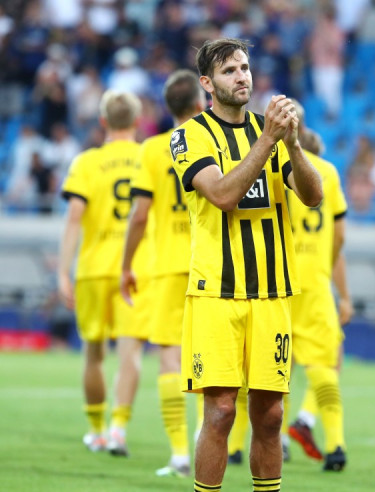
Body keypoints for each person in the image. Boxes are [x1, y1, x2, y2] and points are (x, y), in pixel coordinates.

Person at [169, 38, 322, 492]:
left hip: (272, 293)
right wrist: (269, 141)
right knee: (220, 411)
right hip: (217, 292)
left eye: (245, 68)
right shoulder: (190, 136)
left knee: (271, 415)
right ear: (207, 83)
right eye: (229, 70)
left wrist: (293, 146)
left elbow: (313, 196)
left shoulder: (270, 130)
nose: (242, 77)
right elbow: (222, 195)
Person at [225, 114, 353, 471]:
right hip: (314, 282)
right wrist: (331, 276)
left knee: (262, 368)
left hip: (273, 279)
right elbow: (340, 235)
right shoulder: (326, 171)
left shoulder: (259, 166)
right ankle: (336, 445)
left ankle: (236, 446)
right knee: (324, 364)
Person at [120, 69, 206, 477]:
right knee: (210, 358)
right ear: (199, 104)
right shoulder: (212, 141)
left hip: (167, 266)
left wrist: (126, 265)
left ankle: (179, 454)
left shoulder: (153, 149)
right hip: (210, 262)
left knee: (170, 358)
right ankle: (207, 443)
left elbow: (139, 216)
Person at [58, 90, 153, 456]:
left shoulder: (86, 162)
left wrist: (63, 271)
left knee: (93, 354)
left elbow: (74, 217)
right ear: (137, 121)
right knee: (130, 353)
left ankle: (96, 431)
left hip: (94, 269)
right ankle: (118, 429)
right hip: (137, 269)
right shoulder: (149, 157)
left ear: (103, 122)